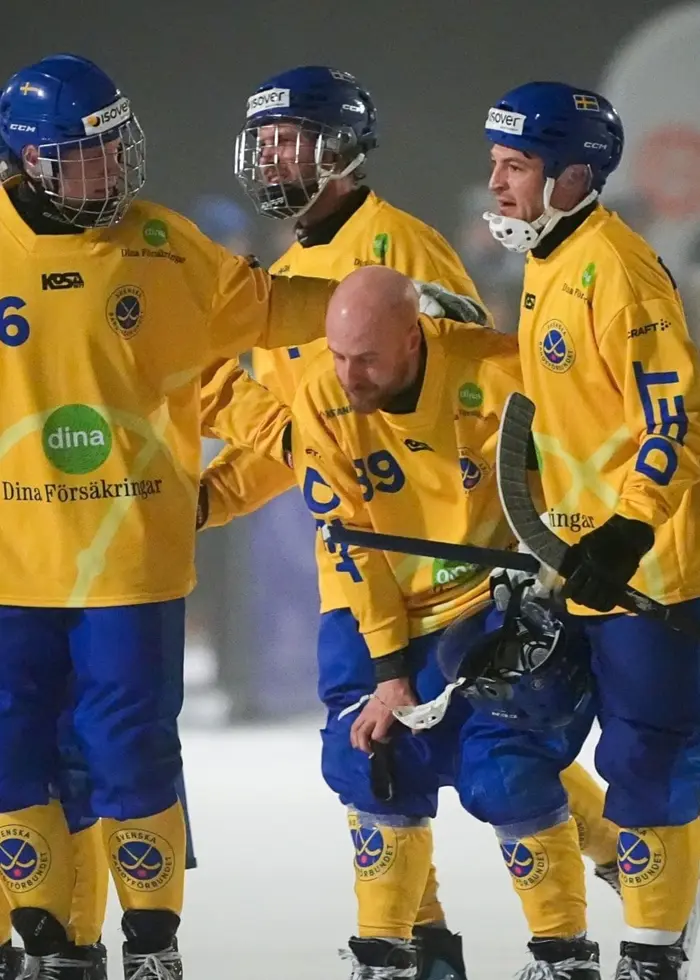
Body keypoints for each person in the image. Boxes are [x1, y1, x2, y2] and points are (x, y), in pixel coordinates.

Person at [198, 64, 620, 978]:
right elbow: (302, 439)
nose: (272, 157)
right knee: (374, 766)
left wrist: (539, 546)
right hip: (356, 561)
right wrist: (213, 486)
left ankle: (612, 862)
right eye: (263, 138)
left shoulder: (403, 251)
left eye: (291, 137)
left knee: (501, 762)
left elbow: (473, 406)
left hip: (454, 569)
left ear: (341, 147)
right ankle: (416, 944)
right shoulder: (283, 272)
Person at [0, 52, 336, 980]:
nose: (112, 168)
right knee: (13, 745)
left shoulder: (162, 242)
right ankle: (39, 935)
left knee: (131, 750)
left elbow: (267, 309)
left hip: (128, 568)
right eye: (86, 153)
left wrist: (366, 306)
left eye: (117, 146)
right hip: (12, 567)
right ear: (32, 164)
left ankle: (151, 943)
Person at [284, 265, 599, 979]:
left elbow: (583, 466)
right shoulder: (319, 398)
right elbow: (352, 547)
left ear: (414, 336)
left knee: (505, 771)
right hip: (377, 604)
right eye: (336, 355)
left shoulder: (497, 373)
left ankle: (564, 952)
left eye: (365, 358)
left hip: (487, 601)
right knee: (370, 758)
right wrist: (392, 676)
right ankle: (394, 953)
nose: (347, 375)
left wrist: (558, 579)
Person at [482, 81, 700, 980]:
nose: (496, 183)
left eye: (517, 166)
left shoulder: (618, 269)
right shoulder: (546, 260)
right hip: (572, 567)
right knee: (507, 744)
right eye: (494, 163)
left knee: (649, 767)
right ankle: (572, 936)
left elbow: (676, 422)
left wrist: (629, 535)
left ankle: (650, 958)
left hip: (647, 577)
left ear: (575, 175)